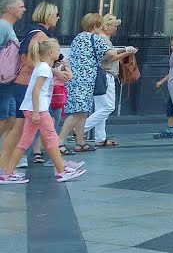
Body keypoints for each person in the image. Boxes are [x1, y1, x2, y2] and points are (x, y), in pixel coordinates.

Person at [0, 39, 85, 183]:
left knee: (25, 141)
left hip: (34, 109)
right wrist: (35, 113)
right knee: (51, 138)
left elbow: (68, 78)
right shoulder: (45, 68)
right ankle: (62, 170)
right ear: (51, 53)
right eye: (58, 50)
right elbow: (36, 90)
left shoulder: (42, 66)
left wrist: (67, 67)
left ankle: (7, 173)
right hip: (38, 109)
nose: (59, 53)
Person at [57, 14, 132, 154]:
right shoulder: (95, 38)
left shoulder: (77, 38)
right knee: (77, 112)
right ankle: (60, 141)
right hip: (85, 80)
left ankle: (80, 142)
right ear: (95, 26)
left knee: (83, 111)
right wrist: (127, 51)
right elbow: (111, 54)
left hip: (74, 79)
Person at [6, 2, 62, 167]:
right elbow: (30, 60)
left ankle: (10, 164)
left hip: (25, 84)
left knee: (27, 126)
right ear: (48, 16)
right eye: (55, 14)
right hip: (26, 83)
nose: (58, 18)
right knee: (23, 126)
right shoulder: (40, 36)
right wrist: (55, 71)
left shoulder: (34, 32)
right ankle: (9, 163)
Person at [83, 14, 136, 147]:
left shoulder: (100, 38)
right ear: (106, 26)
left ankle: (100, 137)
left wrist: (123, 50)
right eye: (114, 26)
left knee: (101, 107)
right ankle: (81, 128)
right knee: (108, 107)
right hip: (106, 75)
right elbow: (109, 57)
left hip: (101, 75)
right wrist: (126, 53)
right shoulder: (103, 38)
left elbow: (109, 53)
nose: (115, 29)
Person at [0, 0, 25, 161]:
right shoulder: (3, 26)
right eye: (20, 6)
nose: (23, 9)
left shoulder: (7, 27)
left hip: (7, 80)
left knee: (11, 116)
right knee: (3, 116)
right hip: (3, 78)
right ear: (10, 9)